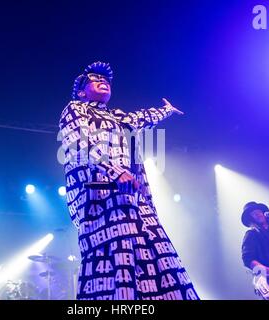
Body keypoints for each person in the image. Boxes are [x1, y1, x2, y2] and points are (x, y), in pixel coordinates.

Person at [58, 61, 199, 300]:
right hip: (100, 198)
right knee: (117, 256)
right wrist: (114, 170)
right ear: (82, 92)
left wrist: (167, 110)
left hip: (132, 196)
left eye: (106, 80)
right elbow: (79, 144)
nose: (103, 81)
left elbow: (142, 117)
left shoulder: (117, 116)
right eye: (94, 79)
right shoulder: (75, 109)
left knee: (156, 252)